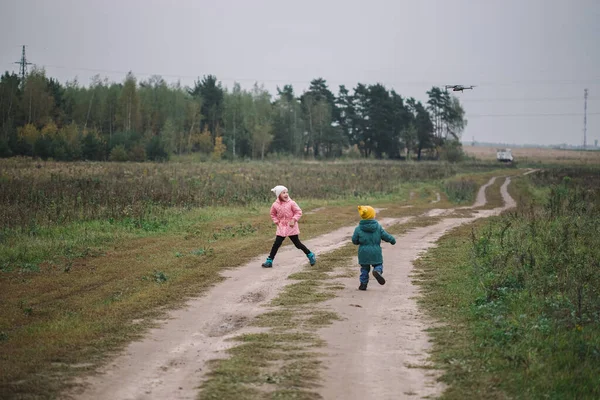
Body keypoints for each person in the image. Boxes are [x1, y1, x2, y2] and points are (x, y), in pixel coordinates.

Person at [262, 185, 316, 268]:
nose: (286, 194)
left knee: (297, 244)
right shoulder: (275, 205)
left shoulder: (291, 203)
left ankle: (310, 254)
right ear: (278, 195)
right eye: (283, 193)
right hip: (281, 227)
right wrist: (276, 221)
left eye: (286, 192)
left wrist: (293, 220)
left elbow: (298, 212)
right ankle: (269, 261)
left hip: (291, 226)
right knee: (276, 244)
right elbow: (272, 214)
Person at [351, 205, 396, 290]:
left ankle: (363, 284)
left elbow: (354, 240)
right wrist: (392, 240)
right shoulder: (378, 227)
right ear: (372, 216)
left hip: (363, 252)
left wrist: (358, 242)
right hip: (376, 252)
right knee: (378, 264)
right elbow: (385, 236)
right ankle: (377, 271)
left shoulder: (358, 228)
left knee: (364, 269)